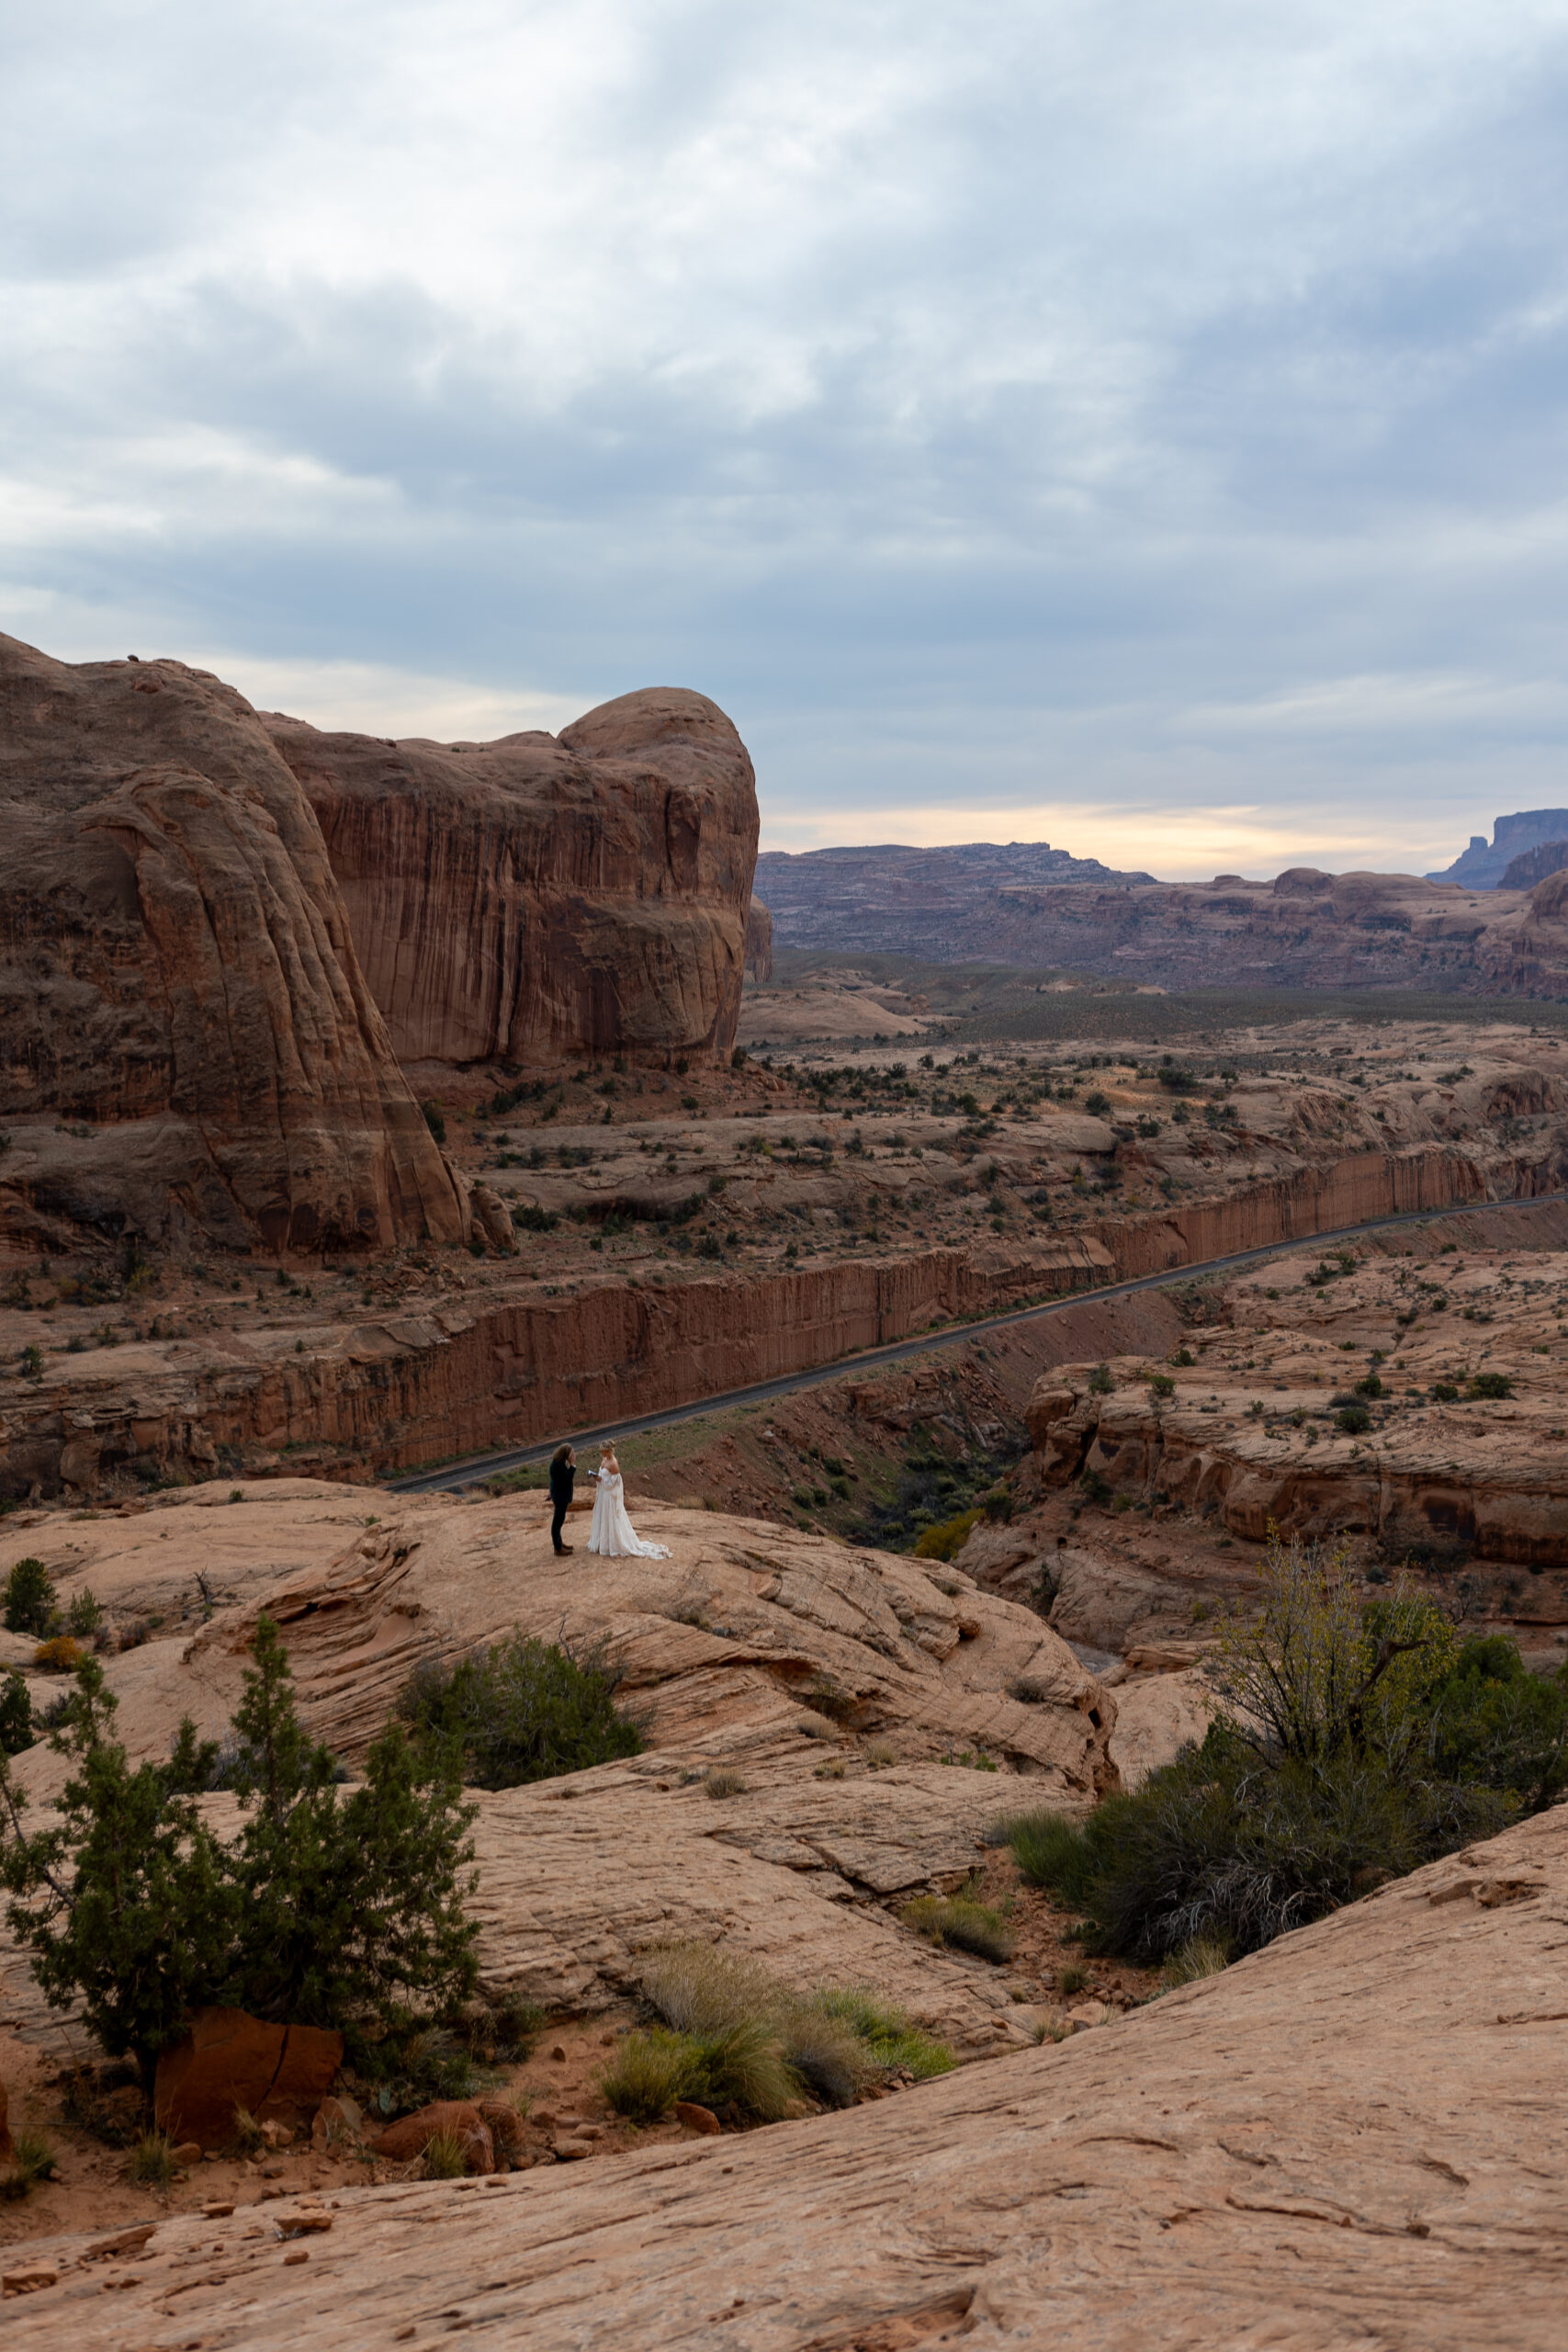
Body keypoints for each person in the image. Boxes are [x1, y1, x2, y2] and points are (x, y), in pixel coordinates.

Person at [586, 1442, 671, 1560]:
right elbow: (604, 1476)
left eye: (602, 1451)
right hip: (603, 1495)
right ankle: (603, 1543)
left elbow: (614, 1484)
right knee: (603, 1518)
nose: (601, 1453)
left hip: (609, 1496)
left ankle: (612, 1545)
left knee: (611, 1519)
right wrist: (598, 1478)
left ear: (608, 1451)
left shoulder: (614, 1464)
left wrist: (600, 1479)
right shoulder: (604, 1460)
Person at [547, 1444, 576, 1555]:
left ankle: (559, 1543)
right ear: (565, 1454)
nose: (573, 1456)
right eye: (571, 1454)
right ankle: (558, 1548)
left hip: (560, 1496)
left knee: (559, 1521)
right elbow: (566, 1479)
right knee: (557, 1523)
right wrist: (572, 1466)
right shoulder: (557, 1465)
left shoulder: (559, 1463)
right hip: (560, 1497)